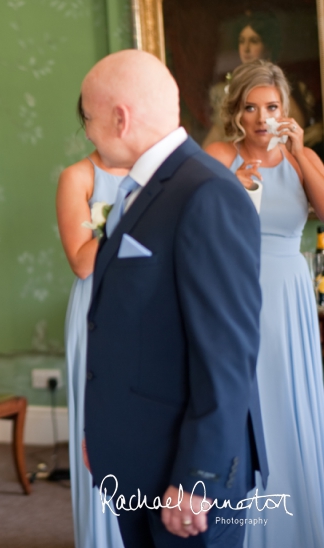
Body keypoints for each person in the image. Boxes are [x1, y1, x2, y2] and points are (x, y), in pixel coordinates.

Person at [81, 49, 267, 548]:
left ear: (119, 117)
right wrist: (102, 429)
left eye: (88, 117)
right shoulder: (141, 190)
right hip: (138, 455)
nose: (87, 132)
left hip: (186, 476)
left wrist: (196, 477)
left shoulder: (207, 192)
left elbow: (228, 354)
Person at [205, 60, 324, 548]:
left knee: (289, 398)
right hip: (237, 287)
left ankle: (297, 529)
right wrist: (235, 186)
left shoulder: (304, 159)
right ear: (237, 111)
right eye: (250, 107)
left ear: (285, 110)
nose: (260, 117)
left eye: (271, 107)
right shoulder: (218, 154)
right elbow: (201, 221)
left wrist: (300, 153)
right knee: (248, 401)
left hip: (291, 292)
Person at [56, 139, 127, 548]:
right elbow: (83, 262)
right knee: (98, 426)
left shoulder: (158, 170)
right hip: (97, 304)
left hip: (149, 304)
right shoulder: (78, 177)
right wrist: (132, 215)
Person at [202, 12, 313, 148]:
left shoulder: (280, 89)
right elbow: (216, 136)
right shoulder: (228, 89)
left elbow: (291, 138)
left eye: (254, 41)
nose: (246, 48)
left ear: (269, 46)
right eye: (242, 41)